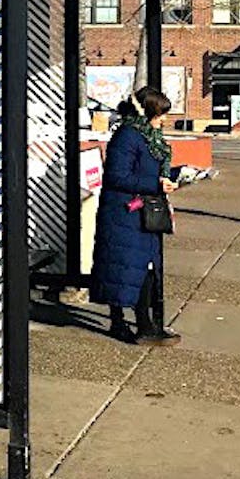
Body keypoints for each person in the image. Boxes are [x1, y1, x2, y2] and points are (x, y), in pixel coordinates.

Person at [92, 86, 181, 346]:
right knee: (130, 267)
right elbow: (117, 176)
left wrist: (173, 177)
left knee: (140, 267)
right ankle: (136, 325)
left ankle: (138, 323)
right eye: (160, 114)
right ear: (148, 112)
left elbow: (146, 169)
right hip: (125, 212)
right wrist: (156, 183)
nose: (164, 119)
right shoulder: (128, 136)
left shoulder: (148, 136)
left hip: (143, 211)